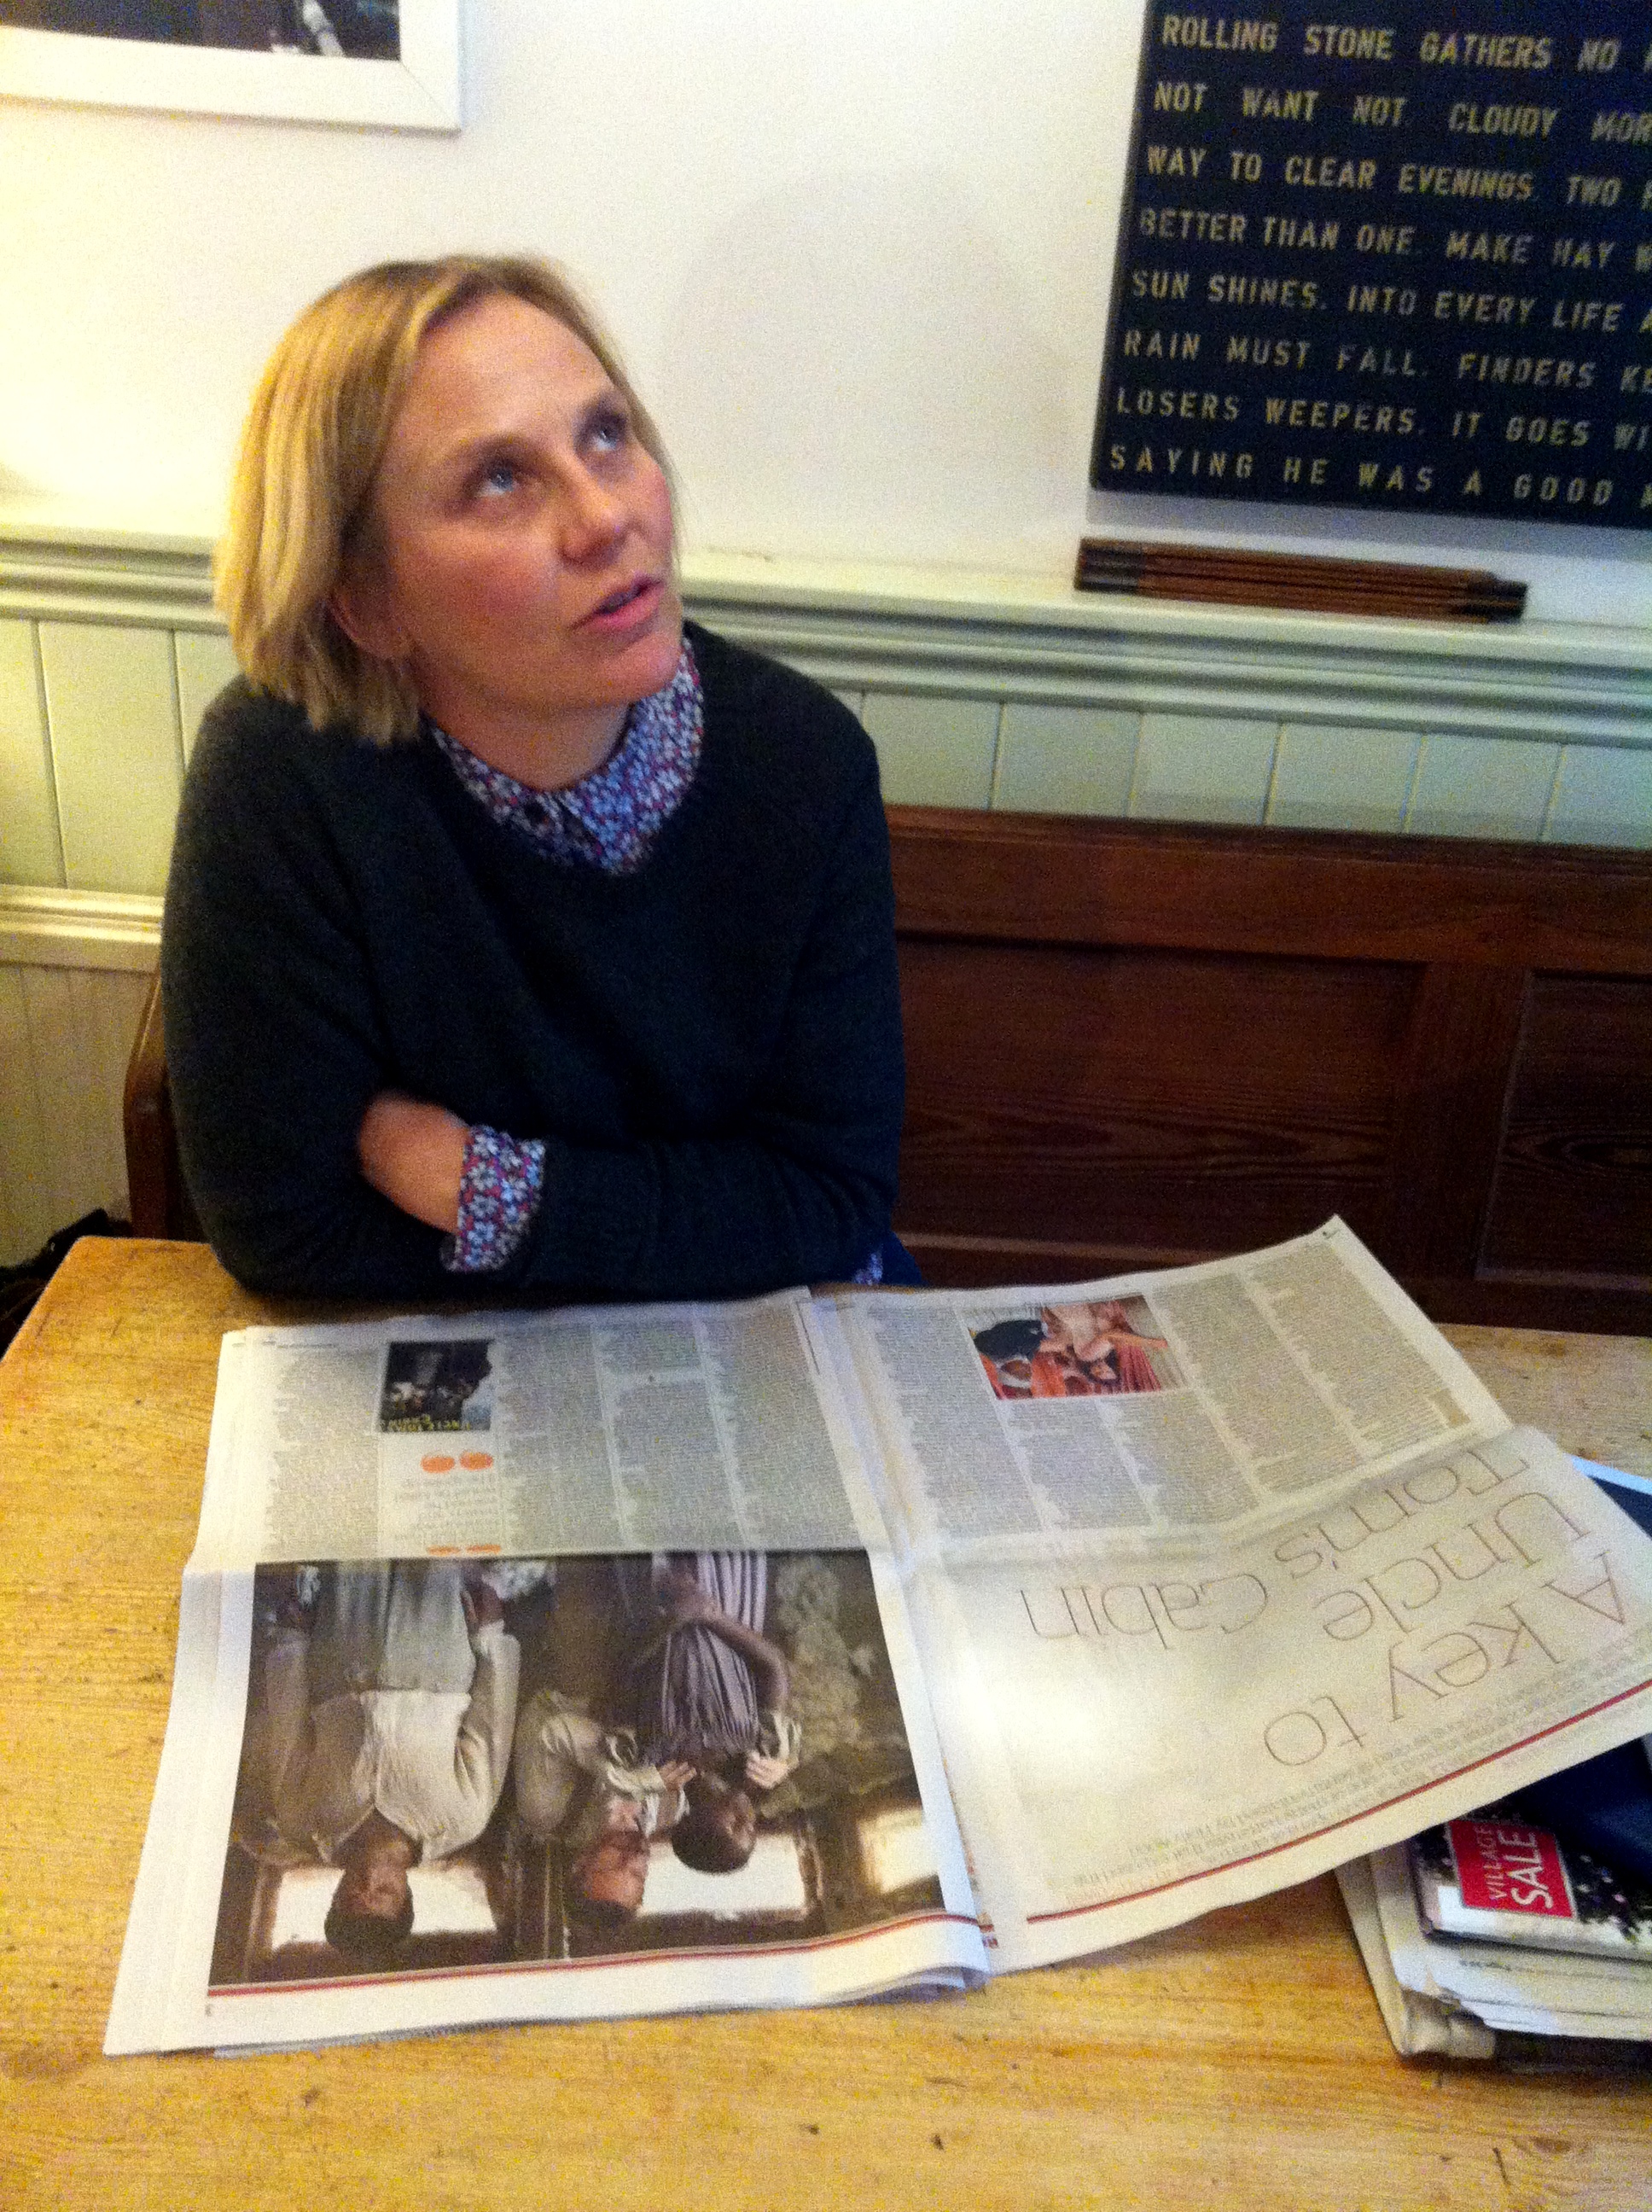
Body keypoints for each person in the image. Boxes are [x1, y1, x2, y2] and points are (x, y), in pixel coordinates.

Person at [162, 254, 908, 1301]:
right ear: (368, 603)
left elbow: (828, 1200)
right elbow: (282, 1227)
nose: (605, 517)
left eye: (606, 434)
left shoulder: (804, 761)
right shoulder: (283, 774)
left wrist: (478, 1185)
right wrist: (691, 1218)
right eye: (499, 479)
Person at [258, 1560, 520, 1966]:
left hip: (342, 1662)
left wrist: (291, 1642)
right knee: (433, 1552)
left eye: (354, 1895)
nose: (369, 1880)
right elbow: (490, 1728)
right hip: (436, 1663)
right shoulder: (463, 1820)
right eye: (384, 1893)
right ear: (407, 1892)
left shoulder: (300, 1821)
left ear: (336, 1895)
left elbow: (287, 1726)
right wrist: (491, 1640)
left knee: (357, 1551)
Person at [616, 1552, 800, 1874]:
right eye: (752, 1830)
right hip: (728, 1596)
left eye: (734, 1828)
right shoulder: (761, 1761)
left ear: (693, 1821)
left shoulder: (652, 1759)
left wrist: (674, 1619)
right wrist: (709, 1614)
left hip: (657, 1603)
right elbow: (773, 1665)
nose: (748, 1820)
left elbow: (624, 1670)